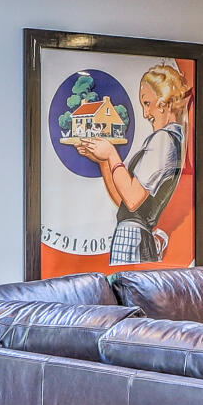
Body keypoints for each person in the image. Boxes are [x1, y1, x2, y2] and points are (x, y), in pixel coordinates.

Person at [67, 63, 191, 264]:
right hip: (133, 235)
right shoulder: (169, 140)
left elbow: (132, 199)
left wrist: (112, 155)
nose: (144, 113)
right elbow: (125, 203)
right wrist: (103, 160)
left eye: (147, 103)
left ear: (163, 103)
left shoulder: (163, 140)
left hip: (133, 238)